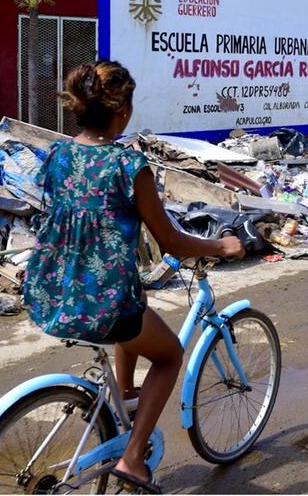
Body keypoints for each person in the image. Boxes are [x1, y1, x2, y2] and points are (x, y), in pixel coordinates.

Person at [22, 60, 244, 492]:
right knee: (168, 355)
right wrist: (221, 245)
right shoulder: (128, 166)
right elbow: (172, 242)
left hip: (53, 290)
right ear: (122, 111)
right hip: (105, 302)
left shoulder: (58, 154)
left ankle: (123, 399)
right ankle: (131, 459)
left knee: (135, 311)